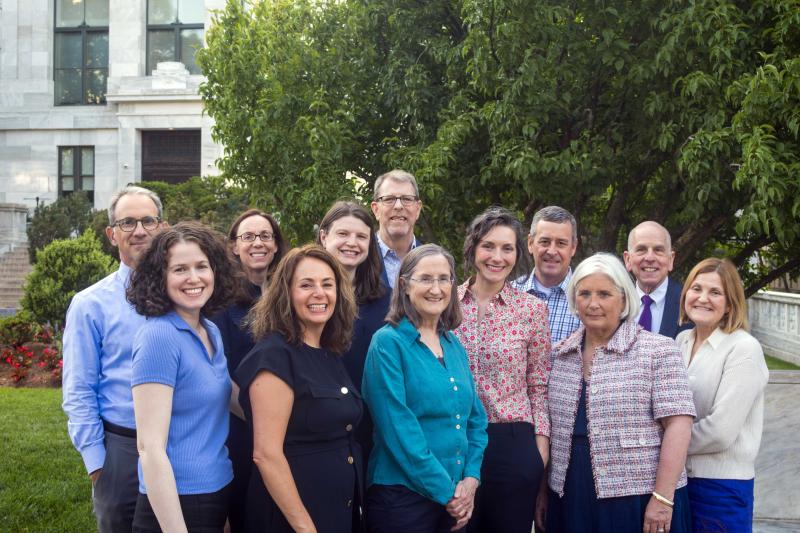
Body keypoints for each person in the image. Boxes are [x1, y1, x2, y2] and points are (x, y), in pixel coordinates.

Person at [543, 253, 696, 533]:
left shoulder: (658, 351)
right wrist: (542, 492)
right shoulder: (559, 355)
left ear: (624, 299)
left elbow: (679, 425)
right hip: (568, 492)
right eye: (584, 293)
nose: (593, 303)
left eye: (604, 294)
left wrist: (662, 498)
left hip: (636, 498)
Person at [235, 245, 362, 533]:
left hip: (336, 511)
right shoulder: (274, 356)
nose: (319, 293)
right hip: (293, 519)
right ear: (286, 294)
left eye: (327, 285)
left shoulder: (329, 352)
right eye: (306, 285)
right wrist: (305, 528)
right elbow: (266, 455)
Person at [362, 244, 489, 533]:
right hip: (403, 499)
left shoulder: (453, 344)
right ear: (405, 285)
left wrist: (471, 479)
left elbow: (476, 420)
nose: (436, 288)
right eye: (426, 279)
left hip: (456, 498)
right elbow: (397, 429)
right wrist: (449, 493)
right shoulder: (387, 343)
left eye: (444, 278)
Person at [62, 185, 166, 533]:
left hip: (181, 443)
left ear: (163, 228)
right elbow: (78, 390)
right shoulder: (90, 304)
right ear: (111, 234)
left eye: (148, 220)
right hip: (122, 448)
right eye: (127, 223)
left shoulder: (189, 294)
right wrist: (98, 466)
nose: (139, 231)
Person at [126, 221, 239, 532]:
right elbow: (149, 448)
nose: (194, 278)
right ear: (159, 278)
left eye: (202, 266)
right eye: (179, 269)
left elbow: (225, 392)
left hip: (216, 489)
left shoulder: (209, 330)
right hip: (176, 500)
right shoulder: (159, 337)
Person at [453, 207, 551, 533]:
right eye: (488, 246)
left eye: (507, 248)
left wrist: (539, 449)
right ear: (473, 248)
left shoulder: (532, 310)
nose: (497, 257)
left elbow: (538, 384)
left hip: (511, 442)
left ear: (518, 253)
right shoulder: (447, 304)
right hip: (457, 440)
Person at [676, 258, 769, 532]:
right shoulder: (681, 342)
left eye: (715, 292)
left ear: (730, 303)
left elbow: (720, 431)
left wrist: (665, 445)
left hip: (720, 489)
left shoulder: (743, 349)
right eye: (696, 289)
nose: (703, 298)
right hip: (679, 482)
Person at [211, 208, 286, 532]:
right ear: (234, 247)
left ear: (276, 245)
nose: (258, 242)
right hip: (240, 432)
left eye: (265, 236)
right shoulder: (220, 301)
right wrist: (262, 419)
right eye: (249, 236)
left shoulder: (287, 297)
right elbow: (220, 376)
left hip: (287, 430)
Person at [317, 200, 392, 460]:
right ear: (324, 237)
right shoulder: (306, 297)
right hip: (319, 426)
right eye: (343, 234)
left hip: (373, 426)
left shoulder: (387, 300)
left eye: (361, 236)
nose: (352, 242)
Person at [512, 206, 581, 344]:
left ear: (573, 247)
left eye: (561, 243)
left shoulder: (588, 299)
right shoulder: (508, 294)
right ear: (530, 243)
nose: (552, 251)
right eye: (545, 242)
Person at [623, 221, 692, 339]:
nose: (650, 257)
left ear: (670, 260)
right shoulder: (615, 303)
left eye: (658, 250)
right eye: (641, 249)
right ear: (628, 259)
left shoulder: (689, 304)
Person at [370, 169, 423, 288]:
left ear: (418, 209)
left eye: (407, 199)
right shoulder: (359, 258)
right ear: (376, 210)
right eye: (389, 199)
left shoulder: (434, 261)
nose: (398, 206)